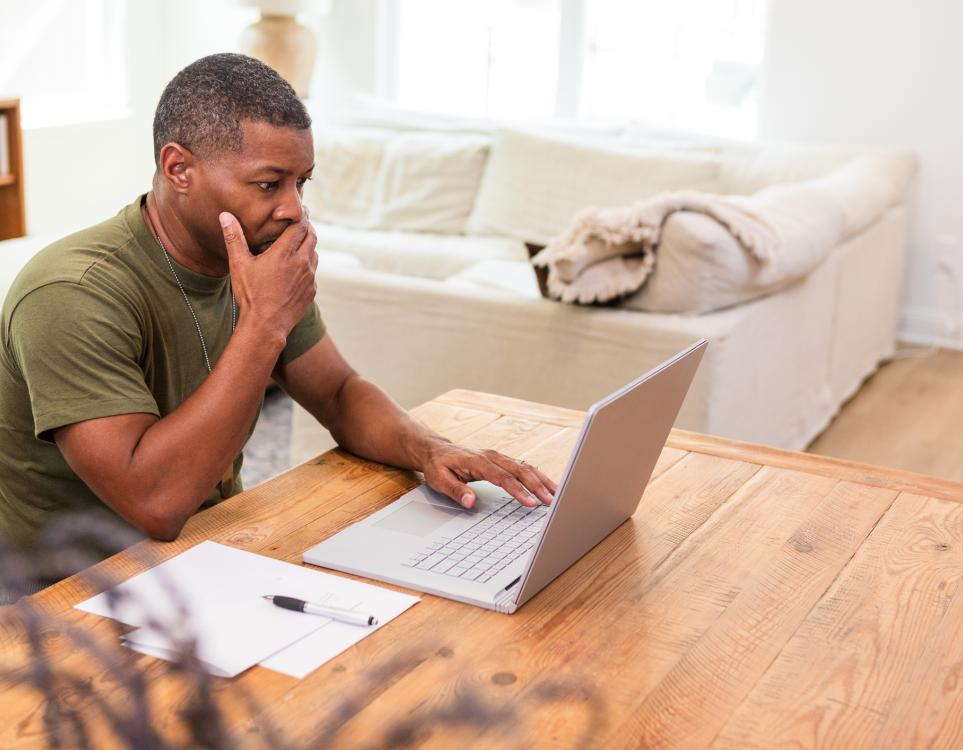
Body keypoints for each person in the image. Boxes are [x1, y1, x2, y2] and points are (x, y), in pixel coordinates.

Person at [0, 53, 556, 588]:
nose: (293, 207)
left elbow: (337, 393)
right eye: (269, 184)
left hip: (204, 551)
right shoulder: (71, 294)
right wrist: (264, 324)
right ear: (179, 169)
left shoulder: (254, 257)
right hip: (63, 597)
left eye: (302, 182)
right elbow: (156, 504)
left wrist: (430, 448)